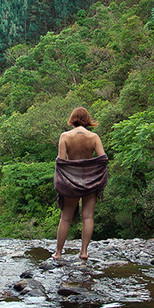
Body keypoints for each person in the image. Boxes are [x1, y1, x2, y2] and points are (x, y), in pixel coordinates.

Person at [53, 107, 108, 260]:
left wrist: (62, 182)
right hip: (91, 180)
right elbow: (103, 159)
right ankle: (83, 252)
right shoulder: (94, 137)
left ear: (72, 119)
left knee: (65, 218)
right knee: (88, 216)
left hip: (71, 181)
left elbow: (62, 162)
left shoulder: (65, 136)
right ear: (87, 119)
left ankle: (58, 253)